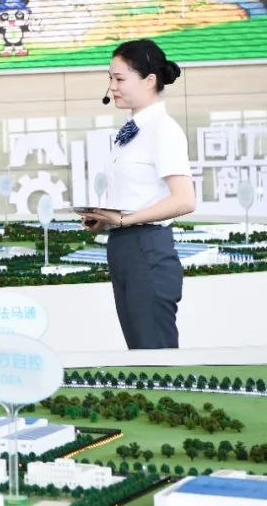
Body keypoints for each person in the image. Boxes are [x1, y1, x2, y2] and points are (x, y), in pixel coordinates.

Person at [81, 39, 196, 350]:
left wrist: (124, 219)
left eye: (119, 79)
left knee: (155, 355)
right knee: (139, 354)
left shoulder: (163, 130)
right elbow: (137, 194)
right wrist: (105, 219)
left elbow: (185, 200)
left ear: (149, 81)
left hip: (147, 249)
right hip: (124, 247)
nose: (112, 87)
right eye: (110, 78)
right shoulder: (132, 131)